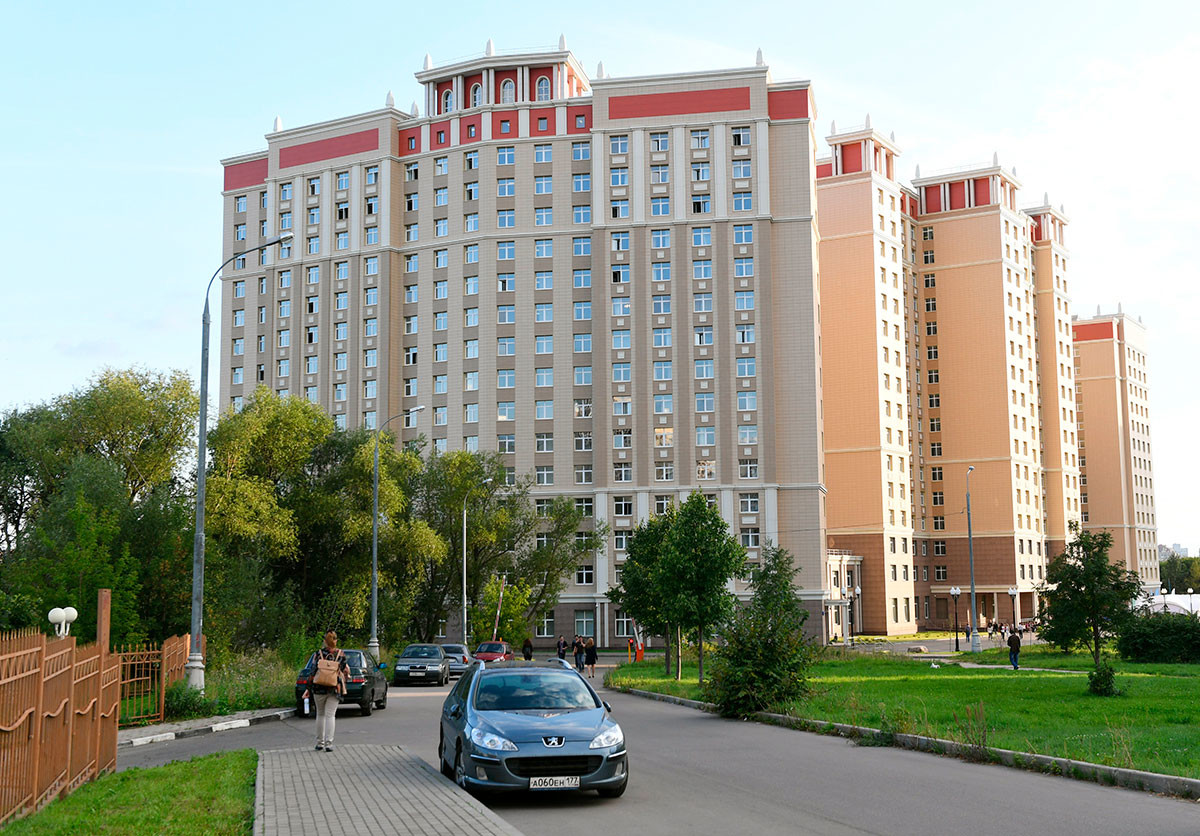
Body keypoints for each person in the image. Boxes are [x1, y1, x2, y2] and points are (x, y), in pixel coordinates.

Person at [305, 630, 349, 752]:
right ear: (336, 641)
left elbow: (312, 672)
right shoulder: (341, 654)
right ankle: (329, 744)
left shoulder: (318, 654)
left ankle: (320, 743)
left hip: (319, 687)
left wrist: (308, 689)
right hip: (334, 688)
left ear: (325, 641)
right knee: (330, 716)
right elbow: (343, 670)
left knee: (320, 714)